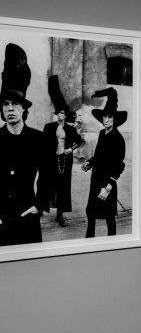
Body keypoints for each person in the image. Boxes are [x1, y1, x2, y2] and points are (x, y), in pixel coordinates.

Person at [0, 43, 50, 246]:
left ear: (24, 109)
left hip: (28, 218)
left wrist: (39, 205)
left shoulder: (38, 140)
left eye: (15, 103)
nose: (10, 109)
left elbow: (47, 175)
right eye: (5, 104)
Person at [82, 87, 126, 238]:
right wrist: (90, 162)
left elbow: (119, 165)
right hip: (95, 180)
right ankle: (89, 241)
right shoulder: (102, 133)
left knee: (109, 216)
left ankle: (112, 242)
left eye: (109, 117)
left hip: (107, 184)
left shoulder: (118, 139)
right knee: (91, 214)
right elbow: (99, 156)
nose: (106, 120)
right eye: (104, 116)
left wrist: (108, 188)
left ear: (115, 119)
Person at [43, 75, 82, 227]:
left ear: (65, 115)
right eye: (58, 113)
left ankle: (60, 215)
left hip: (65, 162)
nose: (60, 115)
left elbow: (79, 142)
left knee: (63, 187)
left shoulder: (70, 130)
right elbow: (44, 143)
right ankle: (40, 207)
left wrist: (69, 149)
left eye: (62, 113)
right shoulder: (49, 127)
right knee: (47, 184)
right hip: (51, 160)